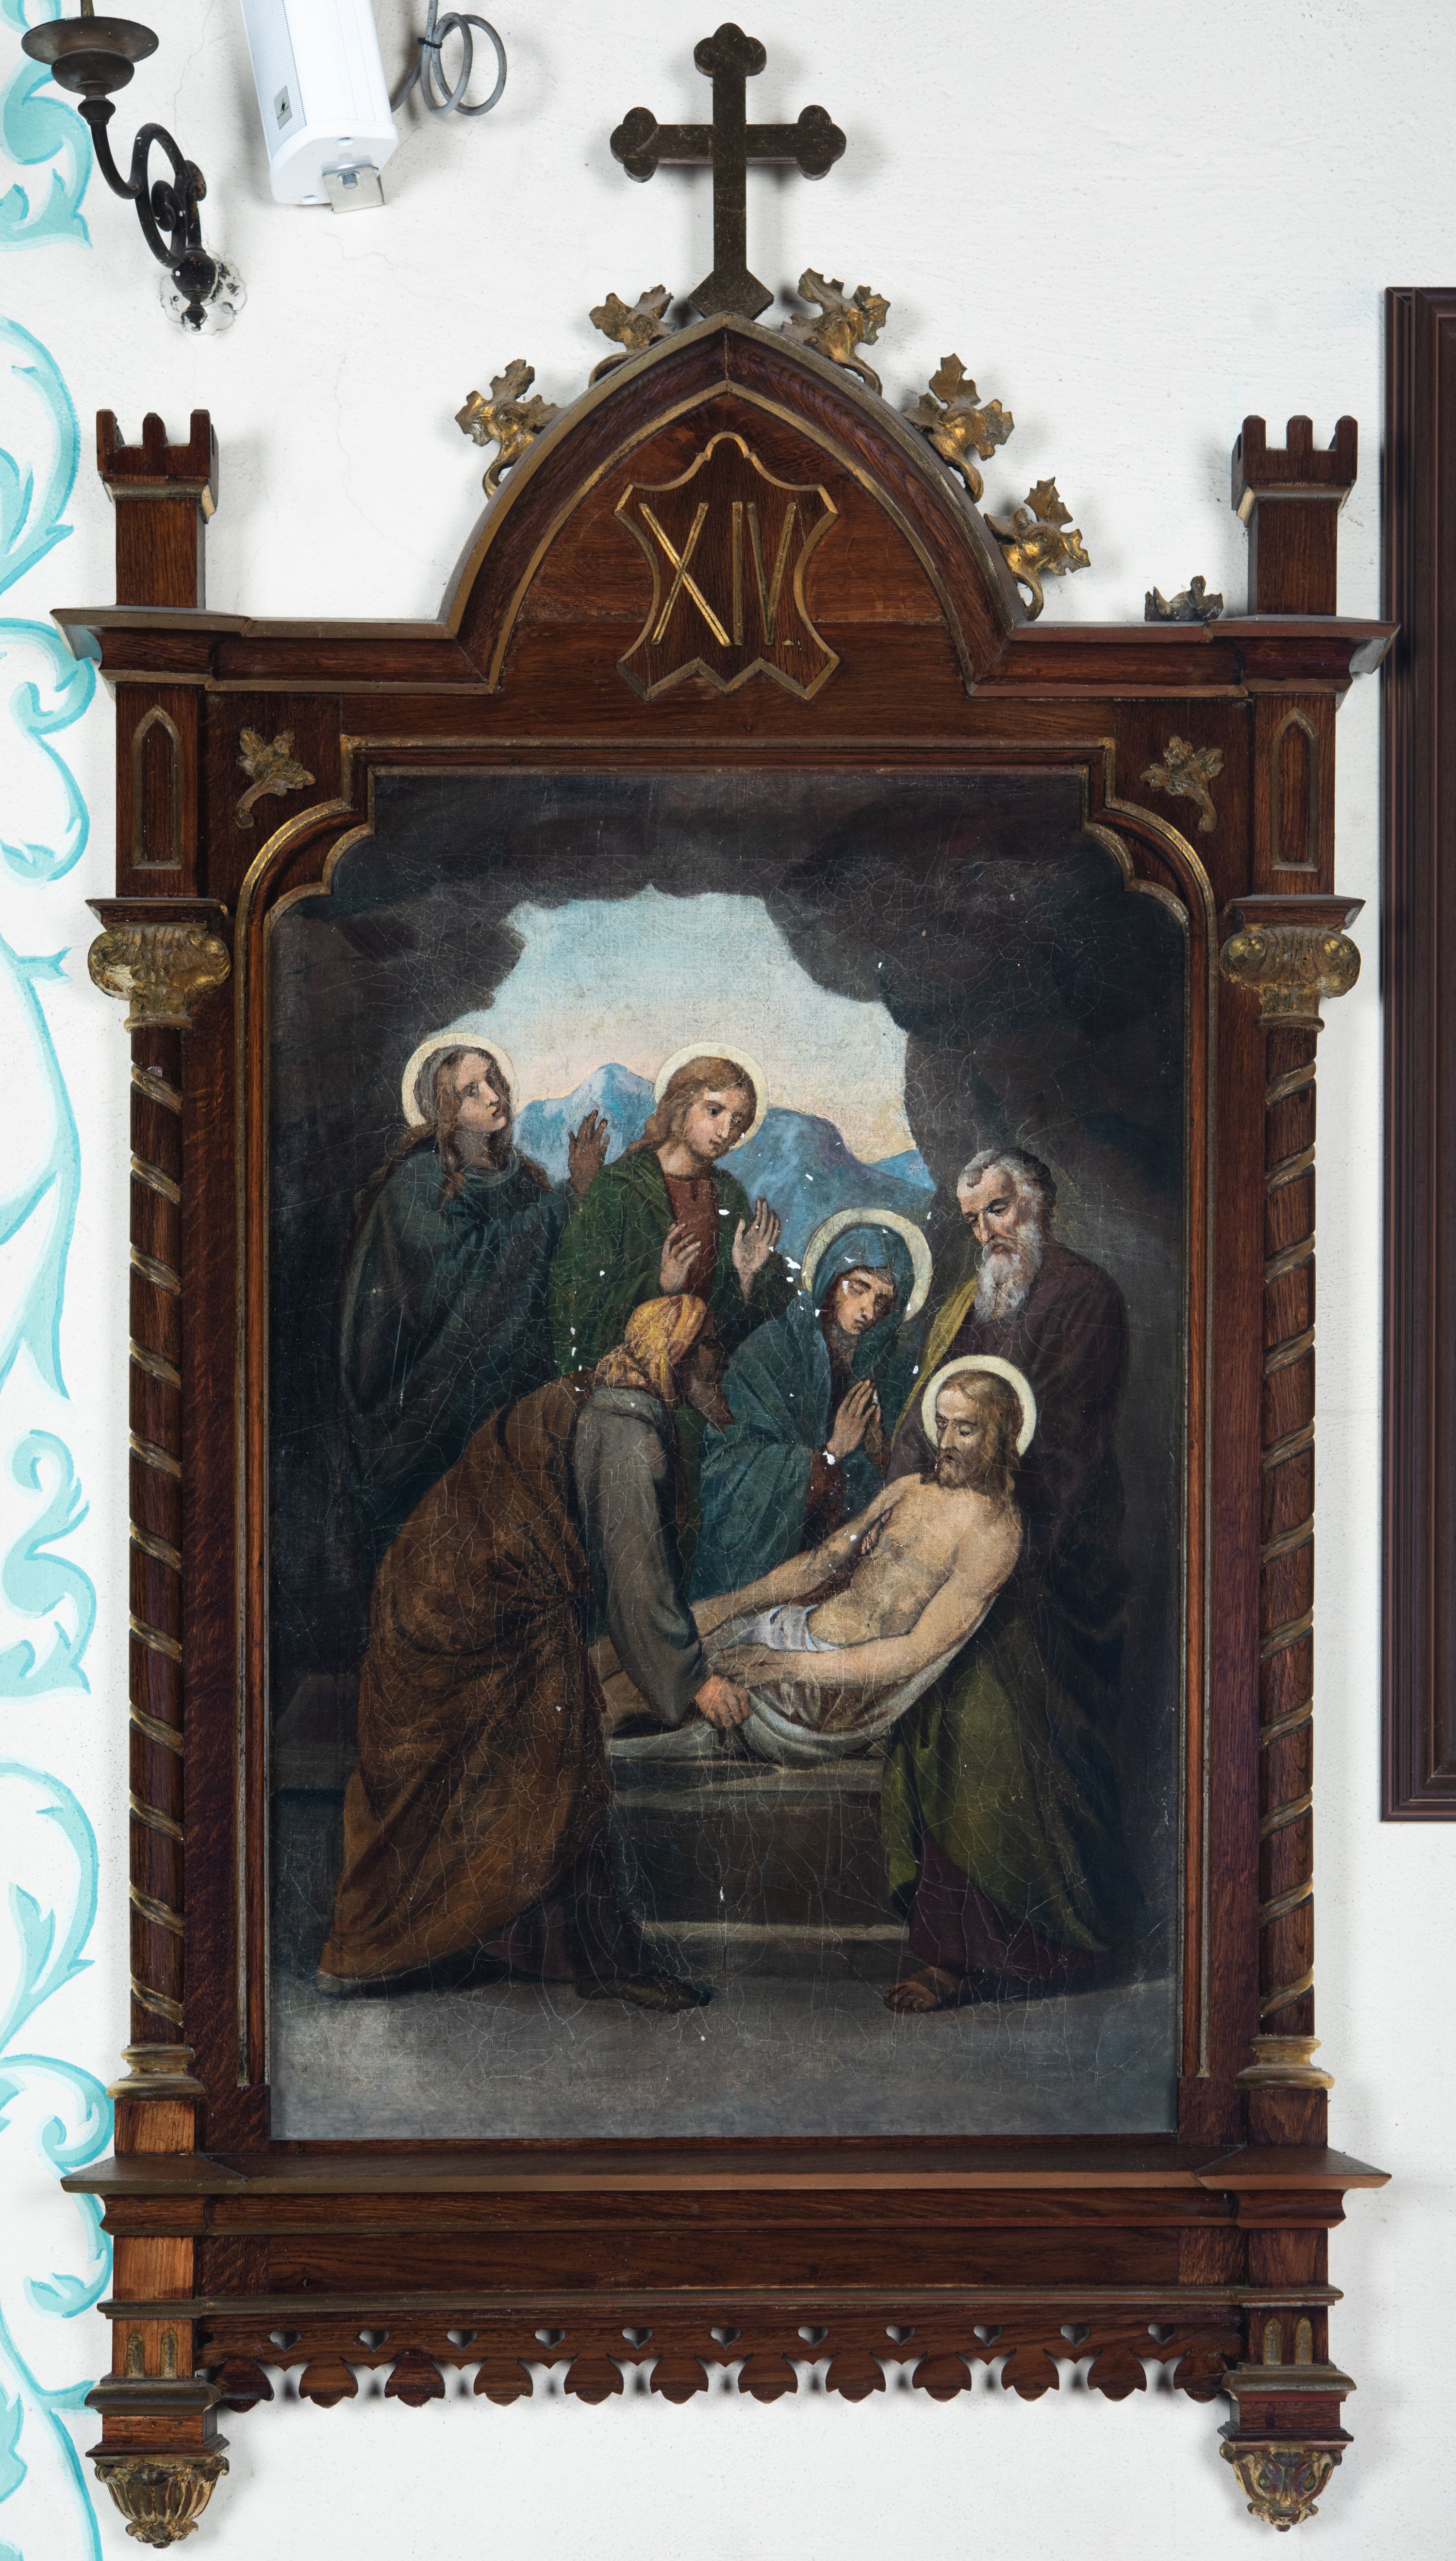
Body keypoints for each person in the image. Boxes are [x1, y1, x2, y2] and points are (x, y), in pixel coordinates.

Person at [316, 1294, 750, 2013]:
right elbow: (635, 1577)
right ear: (674, 1355)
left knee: (538, 1772)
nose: (720, 1360)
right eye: (709, 1347)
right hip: (466, 1613)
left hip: (460, 1597)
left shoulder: (614, 1399)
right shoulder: (626, 1430)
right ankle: (380, 1949)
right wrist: (693, 1680)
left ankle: (563, 1948)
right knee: (544, 1768)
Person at [880, 1146, 1139, 2008]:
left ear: (1039, 1204)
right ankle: (946, 1944)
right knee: (928, 1681)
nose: (988, 1232)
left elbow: (1061, 1439)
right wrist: (907, 1512)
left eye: (999, 1210)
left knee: (982, 1695)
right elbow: (926, 1416)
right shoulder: (972, 1303)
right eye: (974, 1220)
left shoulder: (1085, 1296)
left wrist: (996, 1548)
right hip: (964, 1541)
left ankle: (1029, 1946)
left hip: (1054, 1559)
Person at [339, 1030, 608, 1569]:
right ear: (443, 1109)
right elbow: (455, 1276)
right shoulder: (417, 1186)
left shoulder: (524, 1178)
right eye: (471, 1090)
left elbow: (558, 1265)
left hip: (516, 1380)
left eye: (493, 1081)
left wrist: (579, 1203)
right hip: (435, 1392)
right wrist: (567, 1200)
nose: (492, 1096)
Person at [698, 1362, 1030, 1721]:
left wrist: (782, 1666)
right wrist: (723, 1608)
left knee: (701, 1693)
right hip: (794, 1631)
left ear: (998, 1434)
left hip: (833, 1680)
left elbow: (915, 1652)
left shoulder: (995, 1534)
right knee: (681, 1650)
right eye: (941, 1424)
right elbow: (820, 1562)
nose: (946, 1442)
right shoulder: (909, 1489)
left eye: (964, 1430)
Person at [690, 1210, 930, 1603]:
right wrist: (832, 1453)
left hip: (827, 1570)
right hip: (756, 1570)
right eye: (859, 1287)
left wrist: (874, 1452)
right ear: (831, 1281)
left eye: (883, 1301)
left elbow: (870, 1490)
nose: (868, 1311)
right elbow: (729, 1469)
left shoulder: (870, 1375)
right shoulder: (772, 1349)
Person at [548, 1046, 792, 1376]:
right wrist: (659, 1285)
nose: (725, 1132)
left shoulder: (730, 1196)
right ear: (681, 1106)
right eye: (714, 1111)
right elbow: (573, 1302)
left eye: (737, 1122)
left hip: (703, 1378)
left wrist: (746, 1276)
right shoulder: (619, 1187)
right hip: (629, 1378)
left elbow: (743, 1326)